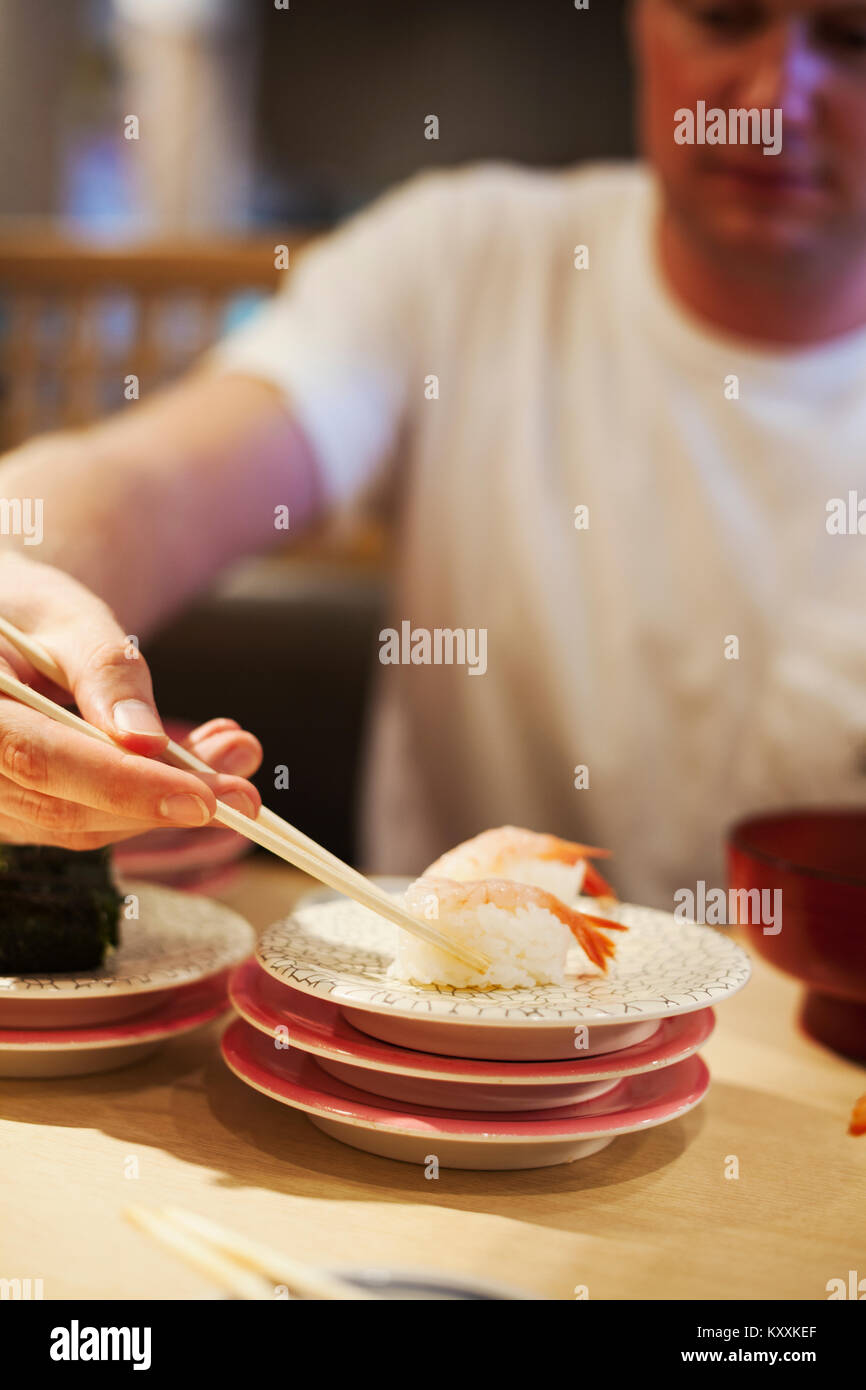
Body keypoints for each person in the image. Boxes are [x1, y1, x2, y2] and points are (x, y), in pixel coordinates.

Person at [0, 0, 864, 906]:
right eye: (725, 19)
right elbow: (152, 482)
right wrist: (20, 568)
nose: (772, 101)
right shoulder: (463, 258)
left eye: (852, 38)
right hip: (422, 1034)